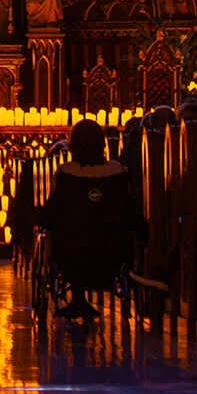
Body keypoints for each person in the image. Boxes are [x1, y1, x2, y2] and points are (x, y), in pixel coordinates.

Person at [37, 117, 141, 320]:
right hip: (112, 252)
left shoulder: (66, 173)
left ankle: (77, 296)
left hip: (70, 254)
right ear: (101, 144)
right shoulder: (117, 172)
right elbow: (129, 211)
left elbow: (52, 213)